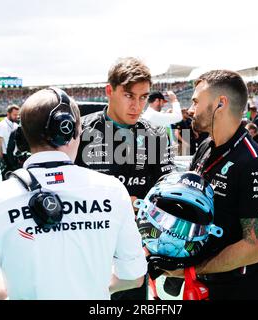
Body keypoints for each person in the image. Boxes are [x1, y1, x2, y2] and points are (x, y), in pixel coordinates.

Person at [0, 88, 146, 300]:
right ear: (72, 131)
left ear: (22, 137)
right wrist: (92, 286)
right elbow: (134, 276)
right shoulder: (113, 191)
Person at [149, 70, 258, 300]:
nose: (190, 108)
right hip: (202, 284)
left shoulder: (254, 164)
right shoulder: (205, 146)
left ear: (221, 104)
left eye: (197, 101)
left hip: (239, 290)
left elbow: (255, 248)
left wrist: (191, 269)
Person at [75, 57, 175, 300]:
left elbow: (168, 194)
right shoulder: (81, 133)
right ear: (109, 91)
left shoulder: (155, 136)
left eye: (144, 97)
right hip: (86, 250)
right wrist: (118, 203)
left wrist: (142, 206)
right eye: (129, 95)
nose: (137, 105)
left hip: (131, 254)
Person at [0, 105, 20, 178]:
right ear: (8, 114)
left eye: (17, 114)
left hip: (15, 155)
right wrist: (1, 157)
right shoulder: (1, 125)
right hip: (6, 156)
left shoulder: (15, 125)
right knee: (6, 177)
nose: (17, 116)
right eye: (15, 115)